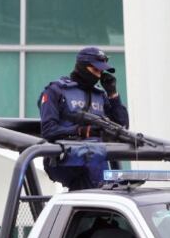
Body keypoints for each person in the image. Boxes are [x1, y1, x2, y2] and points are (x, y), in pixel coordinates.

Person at [38, 46, 130, 190]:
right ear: (82, 66)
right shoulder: (56, 90)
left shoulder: (100, 95)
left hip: (96, 157)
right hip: (64, 158)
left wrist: (113, 94)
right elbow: (48, 130)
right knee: (96, 177)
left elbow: (122, 126)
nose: (99, 75)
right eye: (95, 70)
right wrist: (81, 131)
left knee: (120, 183)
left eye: (101, 71)